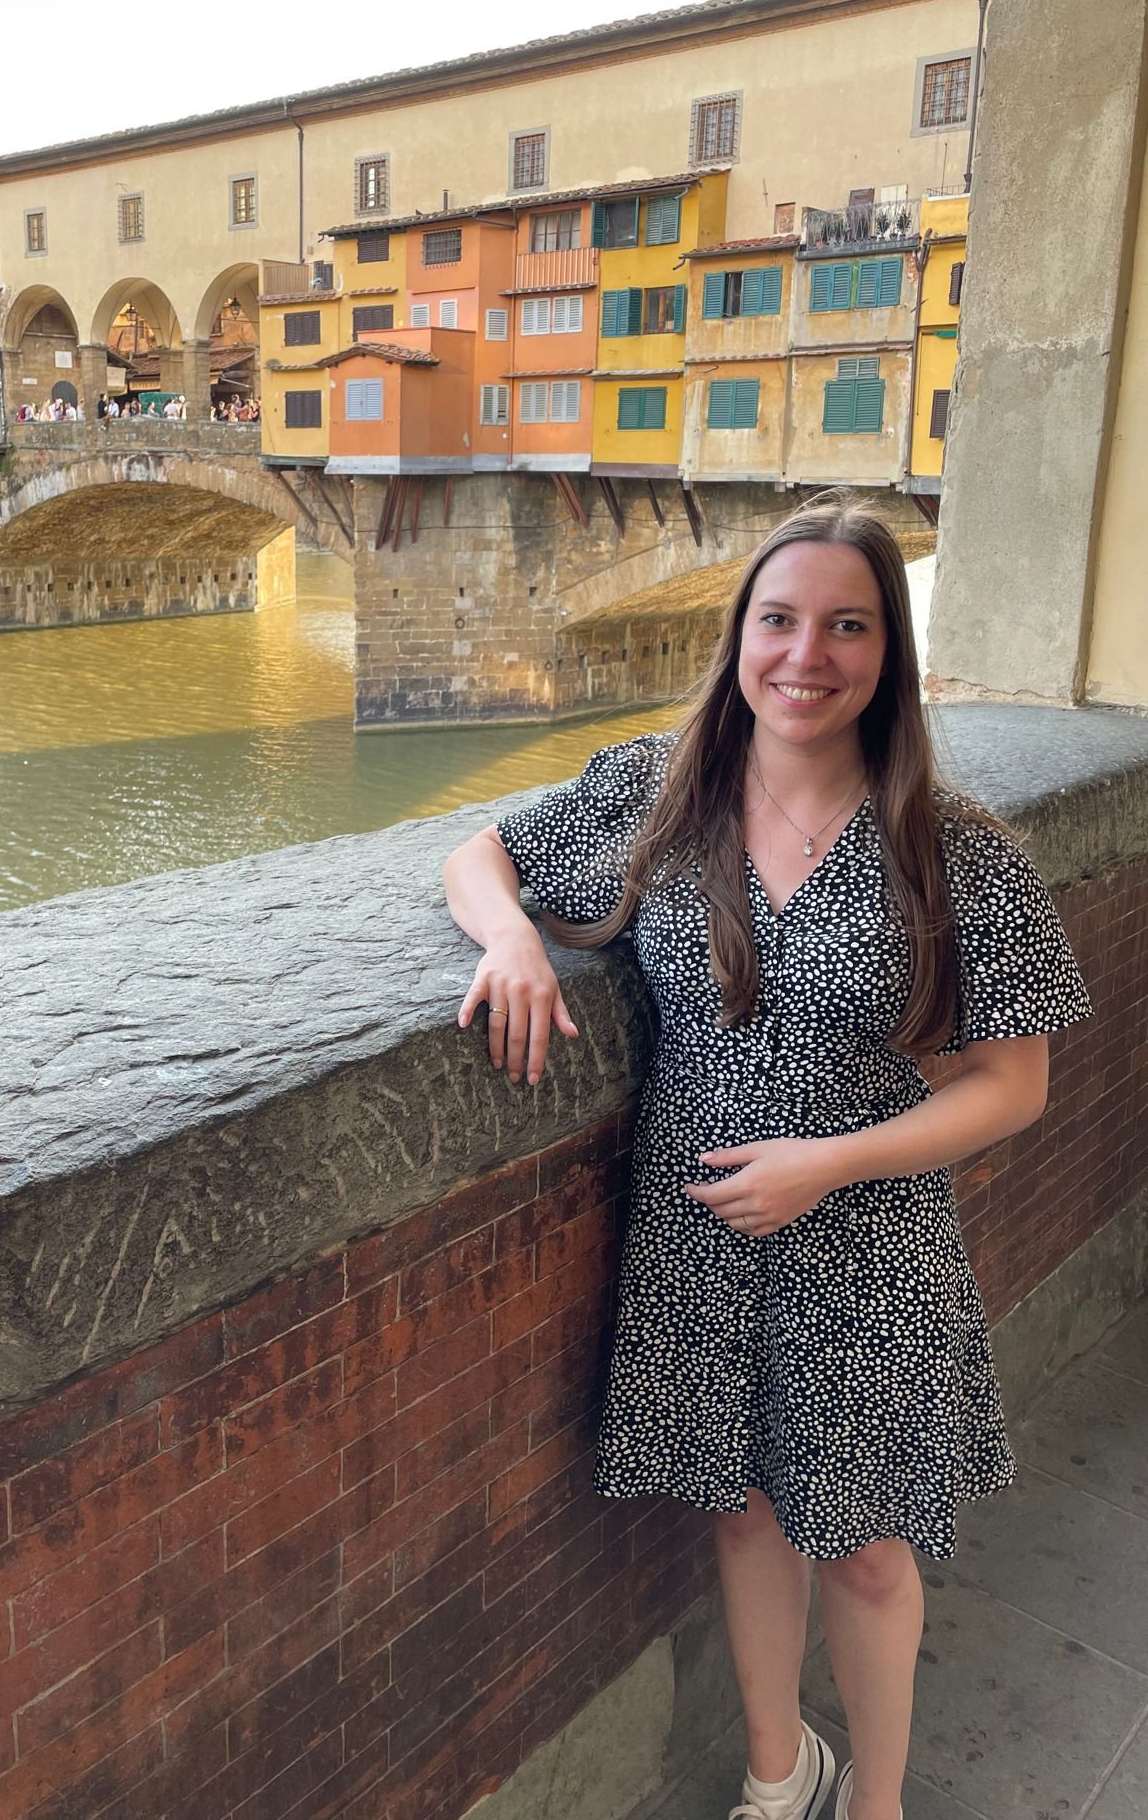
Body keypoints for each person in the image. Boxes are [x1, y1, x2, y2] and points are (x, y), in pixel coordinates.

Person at [442, 493, 1091, 1820]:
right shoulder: (657, 796)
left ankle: (878, 1801)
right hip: (699, 1230)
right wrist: (512, 939)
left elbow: (1015, 1085)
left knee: (860, 1547)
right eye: (781, 621)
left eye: (848, 626)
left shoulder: (951, 850)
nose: (808, 656)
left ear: (885, 656)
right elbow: (481, 854)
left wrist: (829, 1162)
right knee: (741, 1510)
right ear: (739, 637)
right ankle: (779, 1769)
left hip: (866, 1239)